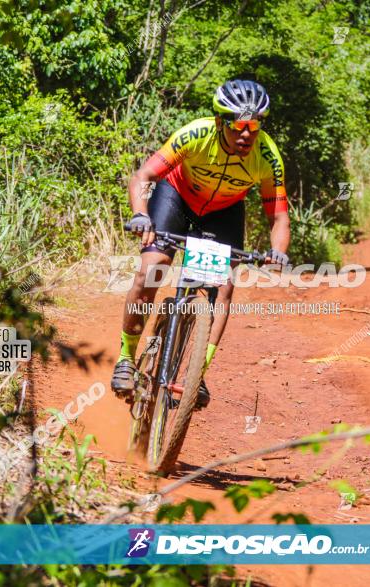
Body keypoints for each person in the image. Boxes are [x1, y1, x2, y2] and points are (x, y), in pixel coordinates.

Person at [111, 79, 291, 408]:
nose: (247, 134)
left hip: (223, 212)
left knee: (221, 287)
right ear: (221, 122)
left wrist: (278, 251)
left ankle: (197, 374)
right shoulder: (195, 134)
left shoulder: (267, 157)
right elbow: (143, 177)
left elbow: (278, 217)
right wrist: (141, 215)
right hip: (177, 198)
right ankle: (126, 357)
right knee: (152, 269)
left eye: (255, 125)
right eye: (239, 125)